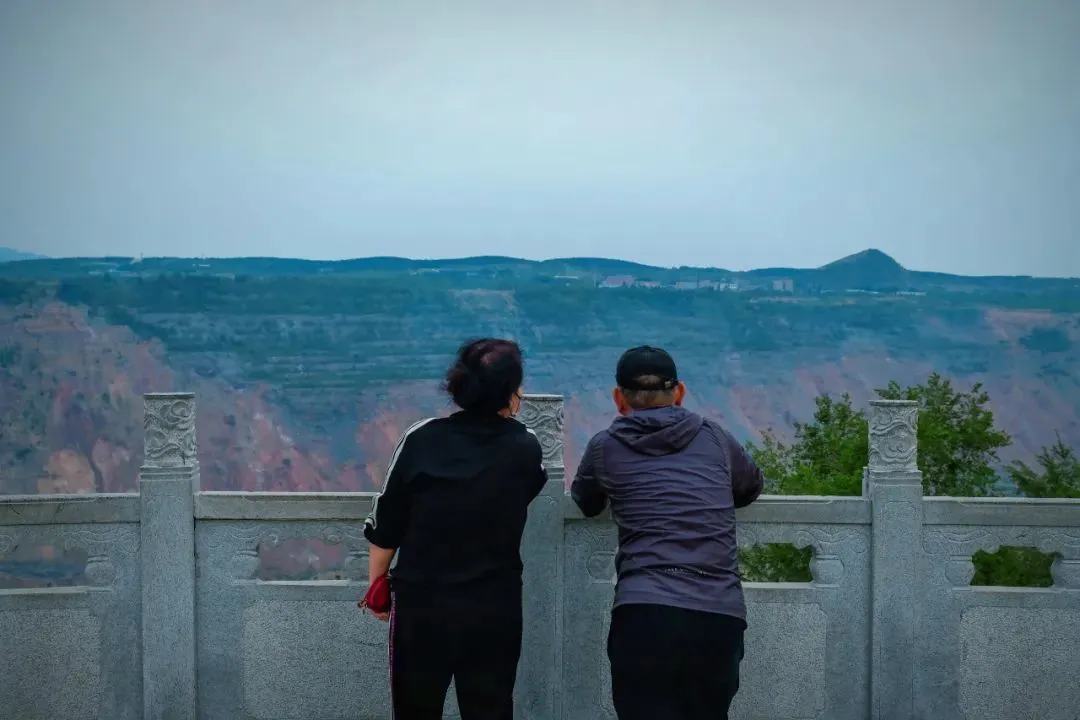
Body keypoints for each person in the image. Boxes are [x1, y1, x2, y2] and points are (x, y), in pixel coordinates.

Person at [570, 345, 765, 720]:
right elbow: (750, 487)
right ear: (679, 393)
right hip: (717, 611)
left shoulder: (604, 447)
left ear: (618, 398)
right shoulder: (715, 437)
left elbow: (587, 502)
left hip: (644, 612)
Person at [361, 338, 548, 720]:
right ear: (511, 393)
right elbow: (527, 491)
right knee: (490, 710)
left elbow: (386, 525)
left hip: (422, 606)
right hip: (493, 607)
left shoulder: (421, 439)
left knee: (415, 709)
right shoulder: (524, 447)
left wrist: (377, 585)